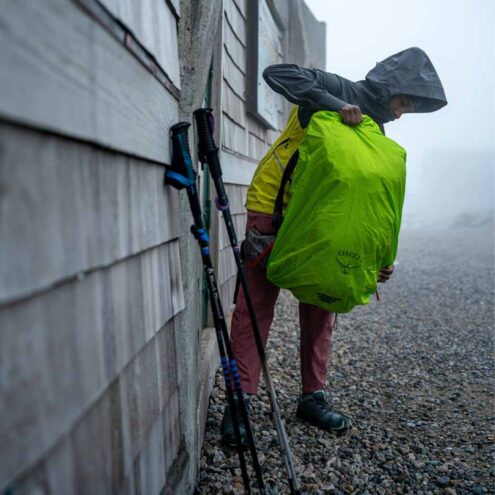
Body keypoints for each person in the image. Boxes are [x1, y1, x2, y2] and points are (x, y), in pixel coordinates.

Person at [221, 47, 447, 446]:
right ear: (390, 86)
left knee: (323, 307)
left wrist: (379, 255)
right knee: (255, 307)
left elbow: (375, 201)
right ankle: (239, 402)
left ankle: (313, 397)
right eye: (403, 102)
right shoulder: (332, 86)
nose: (401, 113)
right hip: (274, 209)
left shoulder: (378, 131)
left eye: (409, 108)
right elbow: (278, 72)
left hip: (325, 225)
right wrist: (335, 104)